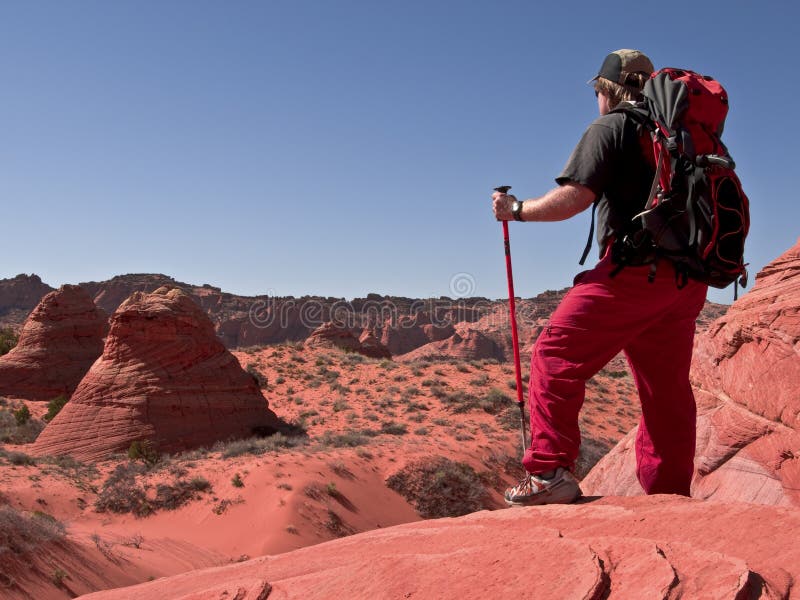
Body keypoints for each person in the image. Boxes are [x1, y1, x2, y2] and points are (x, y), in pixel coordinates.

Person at [492, 49, 708, 506]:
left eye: (596, 92)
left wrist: (515, 211)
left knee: (555, 352)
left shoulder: (614, 126)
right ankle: (669, 494)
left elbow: (574, 199)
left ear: (606, 90)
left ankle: (550, 472)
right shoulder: (682, 135)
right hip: (688, 280)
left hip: (635, 272)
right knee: (664, 389)